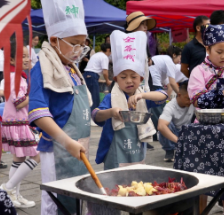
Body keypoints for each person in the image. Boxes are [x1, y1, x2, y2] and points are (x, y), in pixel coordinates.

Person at [28, 0, 92, 214]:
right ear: (54, 40)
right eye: (74, 43)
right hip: (58, 151)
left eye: (82, 44)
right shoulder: (42, 68)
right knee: (56, 203)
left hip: (79, 147)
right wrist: (66, 141)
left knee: (76, 198)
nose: (79, 50)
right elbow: (38, 113)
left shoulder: (72, 69)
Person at [92, 30, 167, 170]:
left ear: (141, 79)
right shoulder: (111, 97)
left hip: (137, 152)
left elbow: (163, 95)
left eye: (133, 76)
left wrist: (142, 95)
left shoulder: (143, 98)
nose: (128, 81)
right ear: (115, 79)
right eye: (123, 77)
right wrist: (111, 112)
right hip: (116, 150)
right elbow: (96, 115)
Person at [188, 24, 224, 212]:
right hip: (204, 132)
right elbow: (198, 100)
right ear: (207, 49)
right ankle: (200, 211)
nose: (223, 56)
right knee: (202, 178)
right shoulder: (198, 72)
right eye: (219, 51)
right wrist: (219, 91)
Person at [0, 42, 40, 208]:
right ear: (10, 59)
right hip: (18, 123)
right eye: (22, 56)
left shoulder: (16, 76)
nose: (26, 59)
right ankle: (7, 188)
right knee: (37, 155)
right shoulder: (16, 78)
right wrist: (36, 94)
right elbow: (19, 102)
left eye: (27, 55)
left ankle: (14, 196)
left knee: (19, 159)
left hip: (14, 122)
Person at [125, 11, 157, 150]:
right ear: (133, 27)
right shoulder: (128, 43)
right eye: (142, 24)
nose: (145, 27)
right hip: (131, 85)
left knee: (141, 111)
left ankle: (142, 138)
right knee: (132, 113)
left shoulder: (141, 42)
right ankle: (135, 139)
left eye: (146, 24)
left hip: (143, 84)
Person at [149, 45, 182, 141]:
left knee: (156, 108)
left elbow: (169, 84)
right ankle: (160, 134)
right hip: (153, 82)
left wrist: (167, 97)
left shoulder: (164, 60)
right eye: (180, 57)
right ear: (174, 55)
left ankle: (156, 134)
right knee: (159, 109)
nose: (180, 59)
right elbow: (172, 82)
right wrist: (181, 95)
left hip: (151, 80)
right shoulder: (169, 61)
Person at [158, 81, 194, 162]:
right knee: (166, 124)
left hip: (186, 131)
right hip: (174, 133)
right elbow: (161, 126)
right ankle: (169, 150)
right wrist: (179, 141)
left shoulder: (193, 103)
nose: (190, 101)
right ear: (179, 95)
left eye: (192, 98)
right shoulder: (170, 106)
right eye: (188, 99)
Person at [83, 43, 111, 112]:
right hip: (92, 76)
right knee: (94, 98)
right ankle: (93, 116)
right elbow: (105, 71)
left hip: (87, 75)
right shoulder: (104, 57)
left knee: (87, 96)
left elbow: (93, 67)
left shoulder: (96, 55)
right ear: (108, 50)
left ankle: (87, 113)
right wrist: (107, 81)